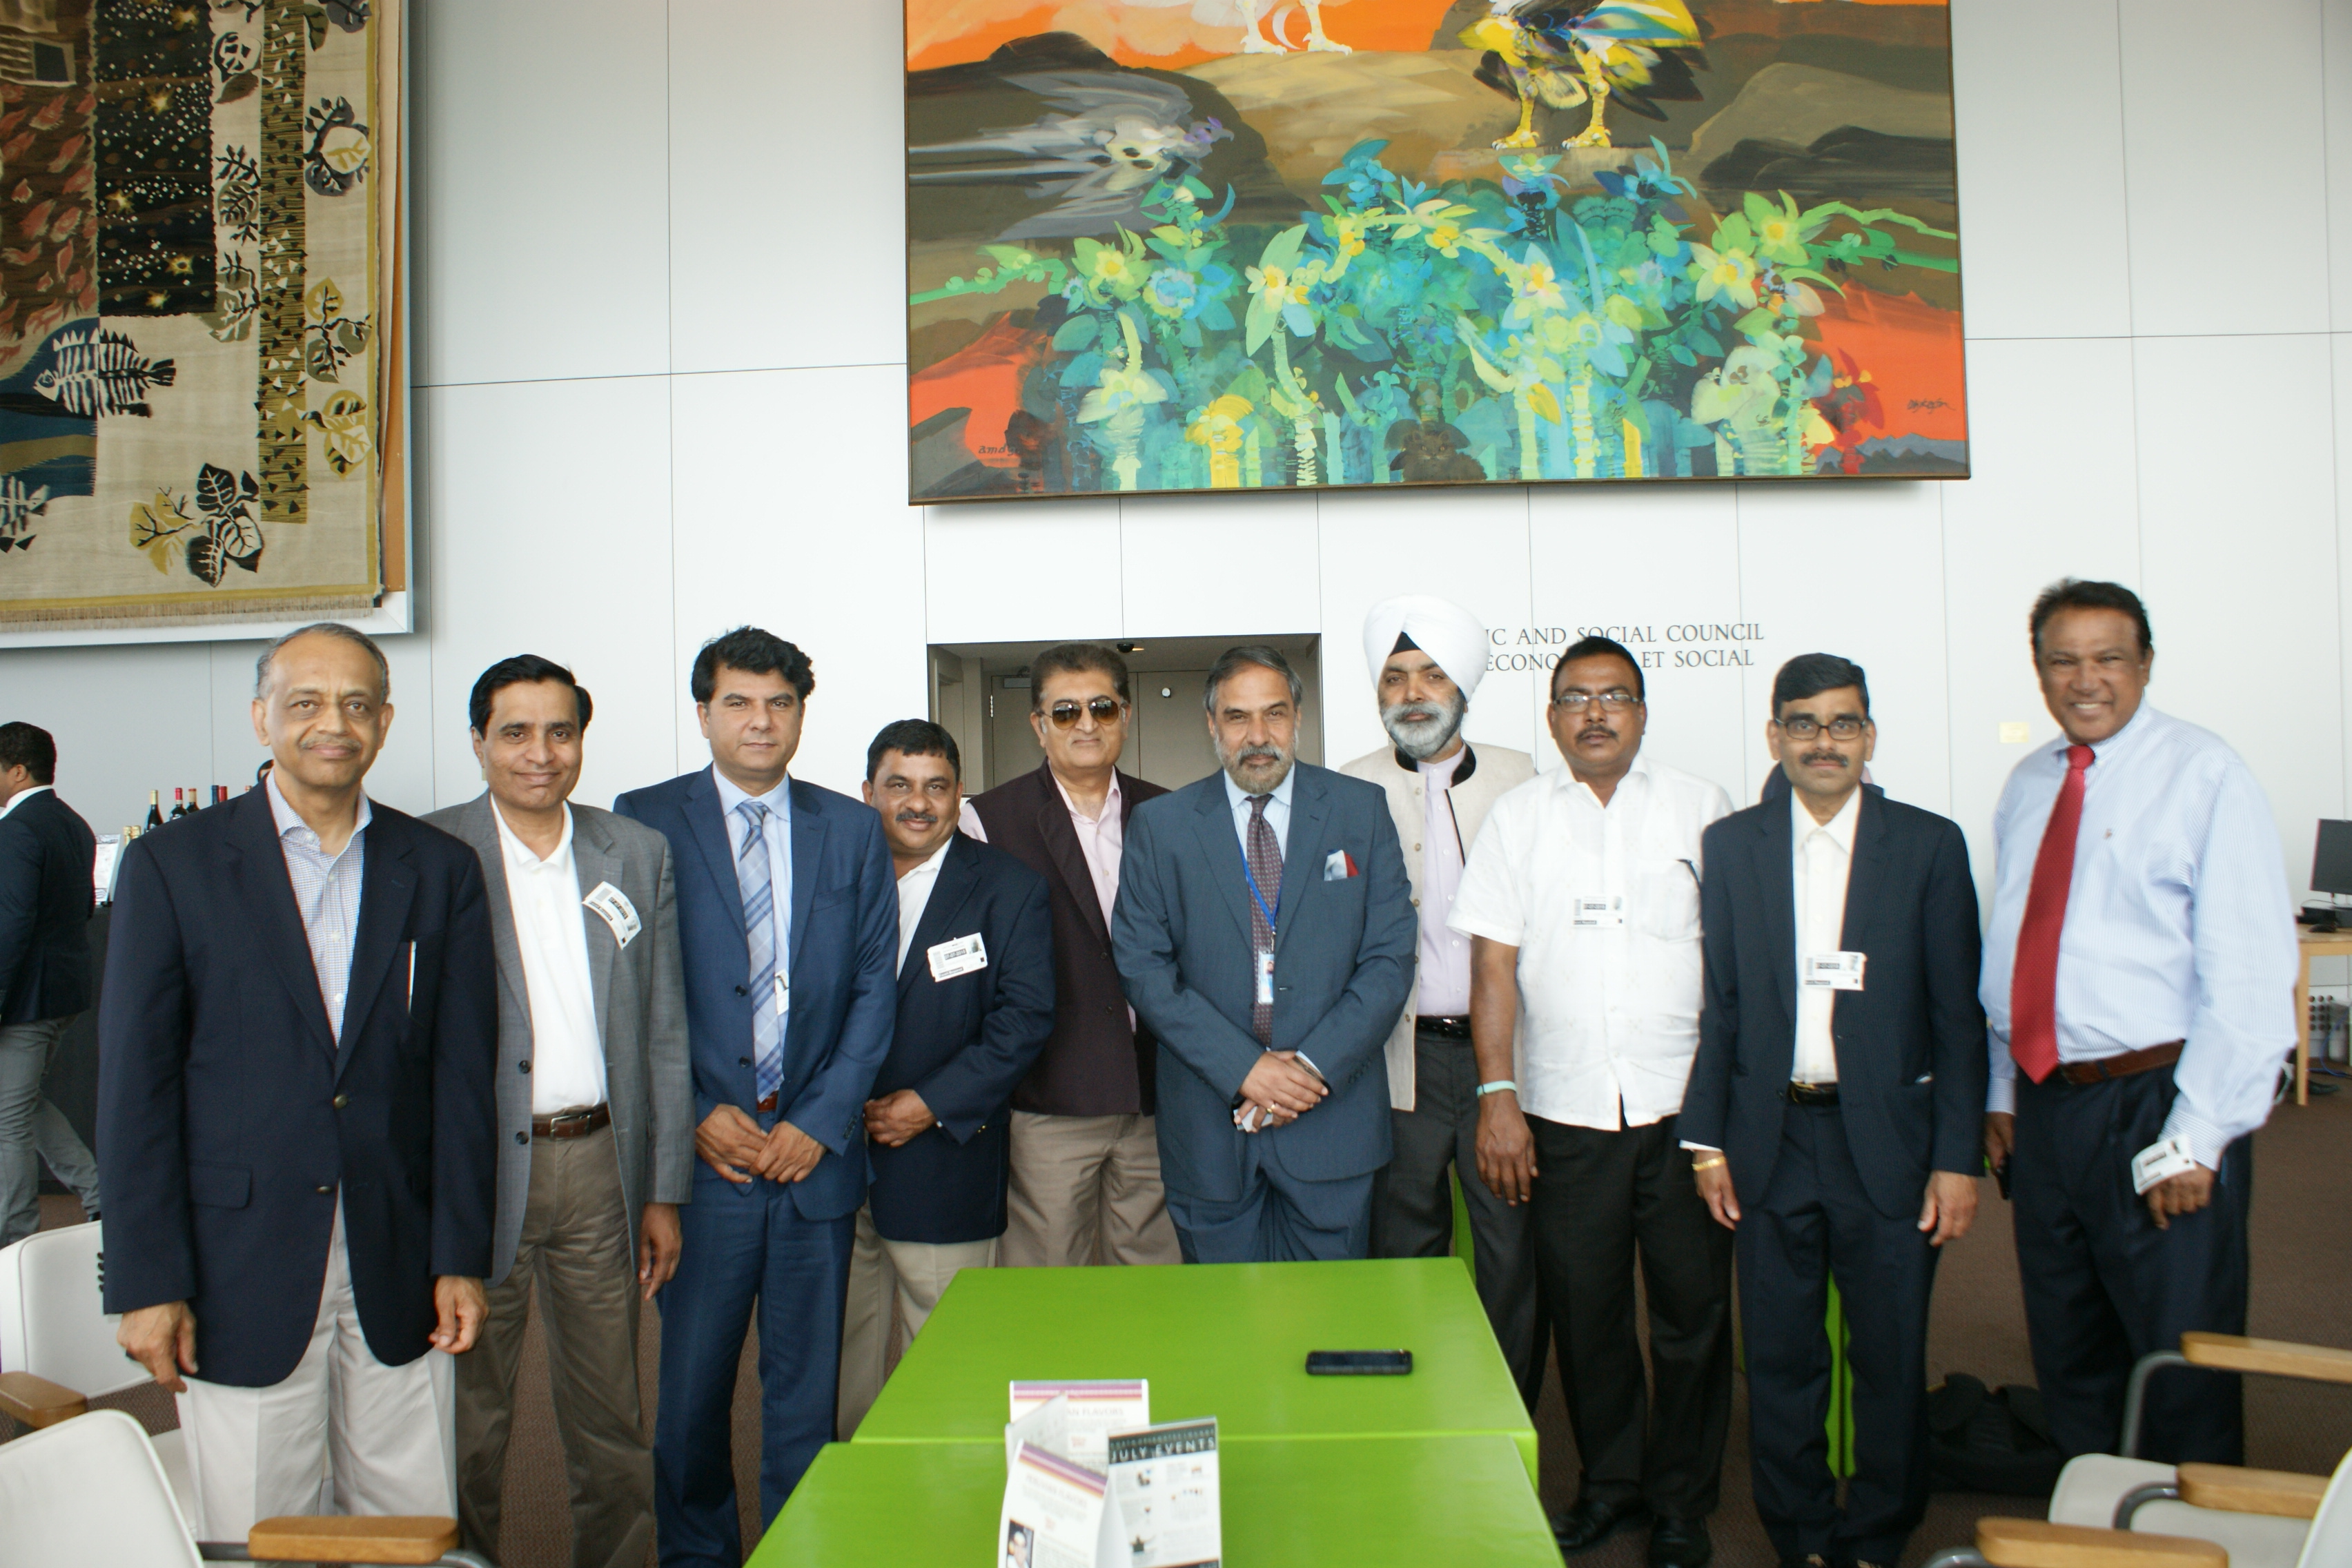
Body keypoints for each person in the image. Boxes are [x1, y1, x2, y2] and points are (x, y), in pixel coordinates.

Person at [97, 623, 498, 1540]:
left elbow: (462, 1082)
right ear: (261, 717)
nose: (334, 724)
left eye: (357, 704)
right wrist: (146, 1280)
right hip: (239, 1258)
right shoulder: (173, 865)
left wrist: (459, 1256)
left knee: (410, 1519)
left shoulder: (437, 871)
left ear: (386, 722)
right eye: (307, 702)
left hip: (399, 1254)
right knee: (257, 1528)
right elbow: (135, 1091)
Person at [1679, 654, 1986, 1568]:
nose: (1824, 741)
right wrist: (1706, 1145)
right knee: (1779, 1362)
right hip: (1770, 1140)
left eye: (1843, 723)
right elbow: (1723, 1005)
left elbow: (1957, 1017)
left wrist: (1959, 1157)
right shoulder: (1733, 847)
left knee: (1889, 1362)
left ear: (1870, 737)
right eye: (1804, 724)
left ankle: (1878, 1535)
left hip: (1888, 1146)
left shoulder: (1929, 845)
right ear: (1774, 737)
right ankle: (1801, 1534)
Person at [1981, 580, 2293, 1464]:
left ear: (2146, 664)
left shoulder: (2206, 772)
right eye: (2064, 660)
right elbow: (2018, 940)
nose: (2087, 680)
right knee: (2070, 1340)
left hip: (2158, 1098)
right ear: (2039, 671)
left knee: (2176, 1351)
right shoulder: (2032, 780)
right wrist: (2003, 1087)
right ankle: (2098, 1527)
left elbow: (2253, 971)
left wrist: (2199, 1135)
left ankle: (2186, 1539)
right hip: (2048, 1105)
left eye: (2109, 658)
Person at [612, 626, 895, 1565]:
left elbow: (871, 990)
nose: (760, 721)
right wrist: (693, 1110)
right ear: (704, 713)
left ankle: (799, 1550)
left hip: (812, 1162)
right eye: (739, 701)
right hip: (705, 1163)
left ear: (802, 715)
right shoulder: (643, 821)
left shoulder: (852, 829)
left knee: (802, 1397)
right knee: (690, 1398)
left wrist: (817, 1123)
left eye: (779, 703)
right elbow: (634, 989)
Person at [1450, 636, 1734, 1568]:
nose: (1597, 713)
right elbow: (1492, 964)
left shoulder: (1703, 811)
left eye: (1616, 697)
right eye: (1577, 698)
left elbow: (1732, 974)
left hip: (1684, 1115)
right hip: (1565, 1116)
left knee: (1692, 1317)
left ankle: (1684, 1501)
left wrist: (1724, 1118)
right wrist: (1498, 1097)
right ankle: (1612, 1488)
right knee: (1589, 1316)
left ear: (1643, 713)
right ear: (1552, 718)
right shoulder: (1519, 819)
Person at [425, 656, 694, 1568]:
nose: (540, 754)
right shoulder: (429, 853)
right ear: (478, 741)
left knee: (612, 1414)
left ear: (581, 739)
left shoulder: (633, 851)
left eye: (560, 731)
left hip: (597, 1166)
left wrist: (661, 1190)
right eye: (515, 732)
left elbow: (663, 1028)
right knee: (468, 1417)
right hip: (475, 1172)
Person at [1112, 645, 1415, 1262]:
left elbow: (1389, 959)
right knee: (1224, 1332)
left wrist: (1307, 1068)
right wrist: (1243, 1069)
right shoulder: (1160, 825)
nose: (1258, 736)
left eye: (1274, 714)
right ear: (1211, 724)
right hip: (1208, 1127)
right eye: (1237, 717)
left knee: (1329, 1326)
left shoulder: (1360, 810)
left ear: (1298, 717)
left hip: (1332, 1122)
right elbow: (1143, 966)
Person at [1337, 598, 1541, 1404]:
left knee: (1509, 1254)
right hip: (1399, 1064)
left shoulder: (1522, 776)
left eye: (1430, 674)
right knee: (1404, 1249)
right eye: (1394, 676)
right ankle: (1415, 1420)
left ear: (1463, 685)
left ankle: (1506, 1420)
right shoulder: (1347, 788)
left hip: (1504, 1064)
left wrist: (1508, 1085)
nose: (1412, 691)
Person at [838, 721, 1055, 1435]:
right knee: (841, 1356)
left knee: (949, 1358)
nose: (918, 803)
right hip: (828, 1159)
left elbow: (1023, 1019)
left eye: (937, 787)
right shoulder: (830, 875)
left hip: (940, 1158)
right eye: (899, 785)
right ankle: (857, 1495)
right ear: (868, 792)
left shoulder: (1008, 888)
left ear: (960, 796)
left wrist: (929, 1104)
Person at [960, 643, 1180, 1268]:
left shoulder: (1172, 814)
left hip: (1155, 1100)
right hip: (1047, 1101)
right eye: (1065, 712)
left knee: (1152, 1282)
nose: (1086, 724)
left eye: (1102, 707)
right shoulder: (987, 822)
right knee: (1049, 1286)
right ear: (1038, 725)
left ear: (1125, 716)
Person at [0, 721, 101, 1246]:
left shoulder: (17, 829)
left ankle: (14, 1237)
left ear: (17, 770)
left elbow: (11, 925)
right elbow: (84, 908)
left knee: (8, 1118)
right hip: (61, 991)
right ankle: (100, 1194)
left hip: (24, 999)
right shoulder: (73, 824)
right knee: (22, 1103)